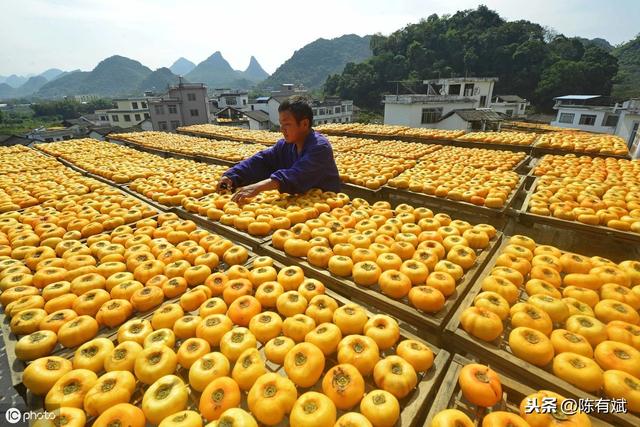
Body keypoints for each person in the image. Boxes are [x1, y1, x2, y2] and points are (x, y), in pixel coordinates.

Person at [216, 96, 341, 203]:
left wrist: (258, 187)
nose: (282, 129)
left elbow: (296, 175)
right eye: (281, 124)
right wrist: (232, 175)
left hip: (326, 206)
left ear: (304, 124)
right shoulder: (285, 146)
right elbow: (261, 160)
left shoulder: (320, 148)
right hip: (298, 204)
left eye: (287, 124)